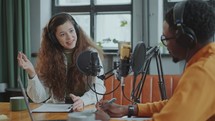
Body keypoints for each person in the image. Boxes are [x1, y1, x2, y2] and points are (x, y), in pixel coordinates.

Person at [96, 0, 215, 121]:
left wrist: (108, 120)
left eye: (166, 38)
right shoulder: (208, 62)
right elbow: (176, 106)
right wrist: (128, 109)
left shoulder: (203, 71)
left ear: (184, 38)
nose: (166, 45)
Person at [17, 12, 106, 111]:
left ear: (76, 30)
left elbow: (99, 88)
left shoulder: (91, 54)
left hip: (84, 108)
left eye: (71, 31)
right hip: (56, 109)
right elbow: (39, 98)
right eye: (62, 34)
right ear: (54, 38)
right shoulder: (49, 57)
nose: (69, 37)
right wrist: (31, 72)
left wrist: (82, 100)